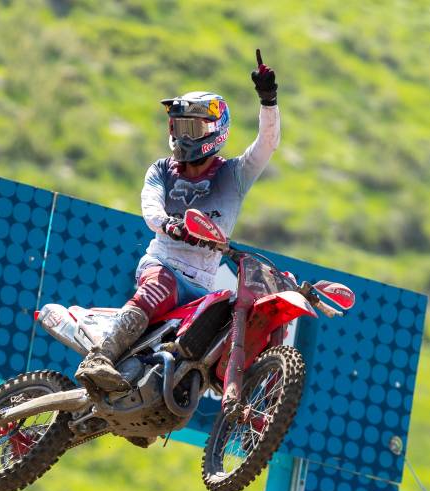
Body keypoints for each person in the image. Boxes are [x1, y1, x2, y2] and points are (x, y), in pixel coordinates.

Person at [75, 49, 280, 393]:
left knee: (211, 347)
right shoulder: (160, 169)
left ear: (215, 131)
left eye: (193, 128)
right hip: (162, 264)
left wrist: (268, 100)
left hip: (203, 285)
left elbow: (267, 144)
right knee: (161, 285)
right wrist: (168, 223)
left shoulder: (234, 174)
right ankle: (99, 357)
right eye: (180, 126)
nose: (184, 136)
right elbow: (150, 205)